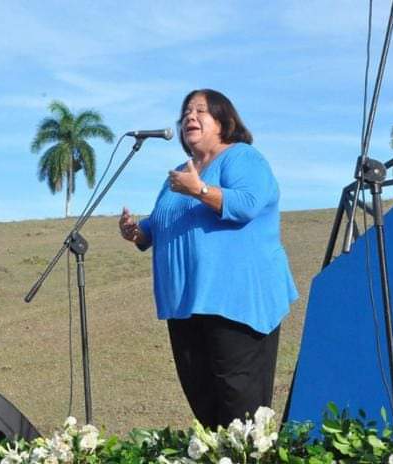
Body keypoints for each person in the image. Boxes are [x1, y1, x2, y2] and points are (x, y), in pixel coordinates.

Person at [119, 89, 298, 429]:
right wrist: (135, 231)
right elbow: (159, 224)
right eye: (186, 111)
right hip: (187, 305)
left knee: (240, 408)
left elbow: (247, 203)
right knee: (206, 404)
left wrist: (199, 190)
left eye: (201, 110)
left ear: (223, 122)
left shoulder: (242, 157)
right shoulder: (178, 174)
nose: (190, 116)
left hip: (236, 300)